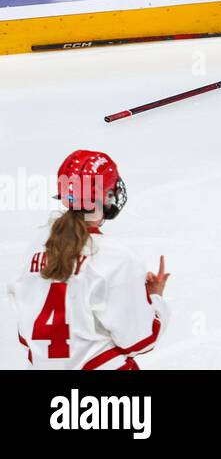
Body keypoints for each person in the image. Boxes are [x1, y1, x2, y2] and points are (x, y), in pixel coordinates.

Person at [8, 151, 170, 369]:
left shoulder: (36, 247)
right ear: (106, 196)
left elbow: (25, 331)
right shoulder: (116, 257)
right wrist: (155, 299)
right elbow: (139, 341)